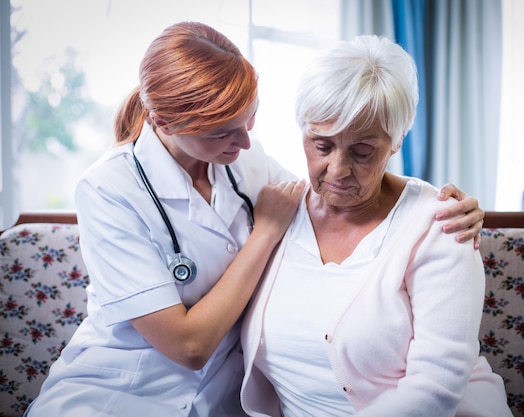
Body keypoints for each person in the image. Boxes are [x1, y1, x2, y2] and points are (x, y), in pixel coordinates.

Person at [25, 23, 485, 417]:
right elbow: (189, 346)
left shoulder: (244, 159)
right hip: (118, 392)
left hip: (219, 397)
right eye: (222, 132)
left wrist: (440, 204)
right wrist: (264, 233)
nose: (245, 143)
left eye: (250, 122)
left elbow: (344, 187)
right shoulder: (109, 189)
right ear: (164, 122)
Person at [240, 35, 512, 417]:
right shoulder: (276, 204)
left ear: (397, 141)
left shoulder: (442, 225)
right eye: (321, 145)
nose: (337, 170)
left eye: (362, 151)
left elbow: (434, 389)